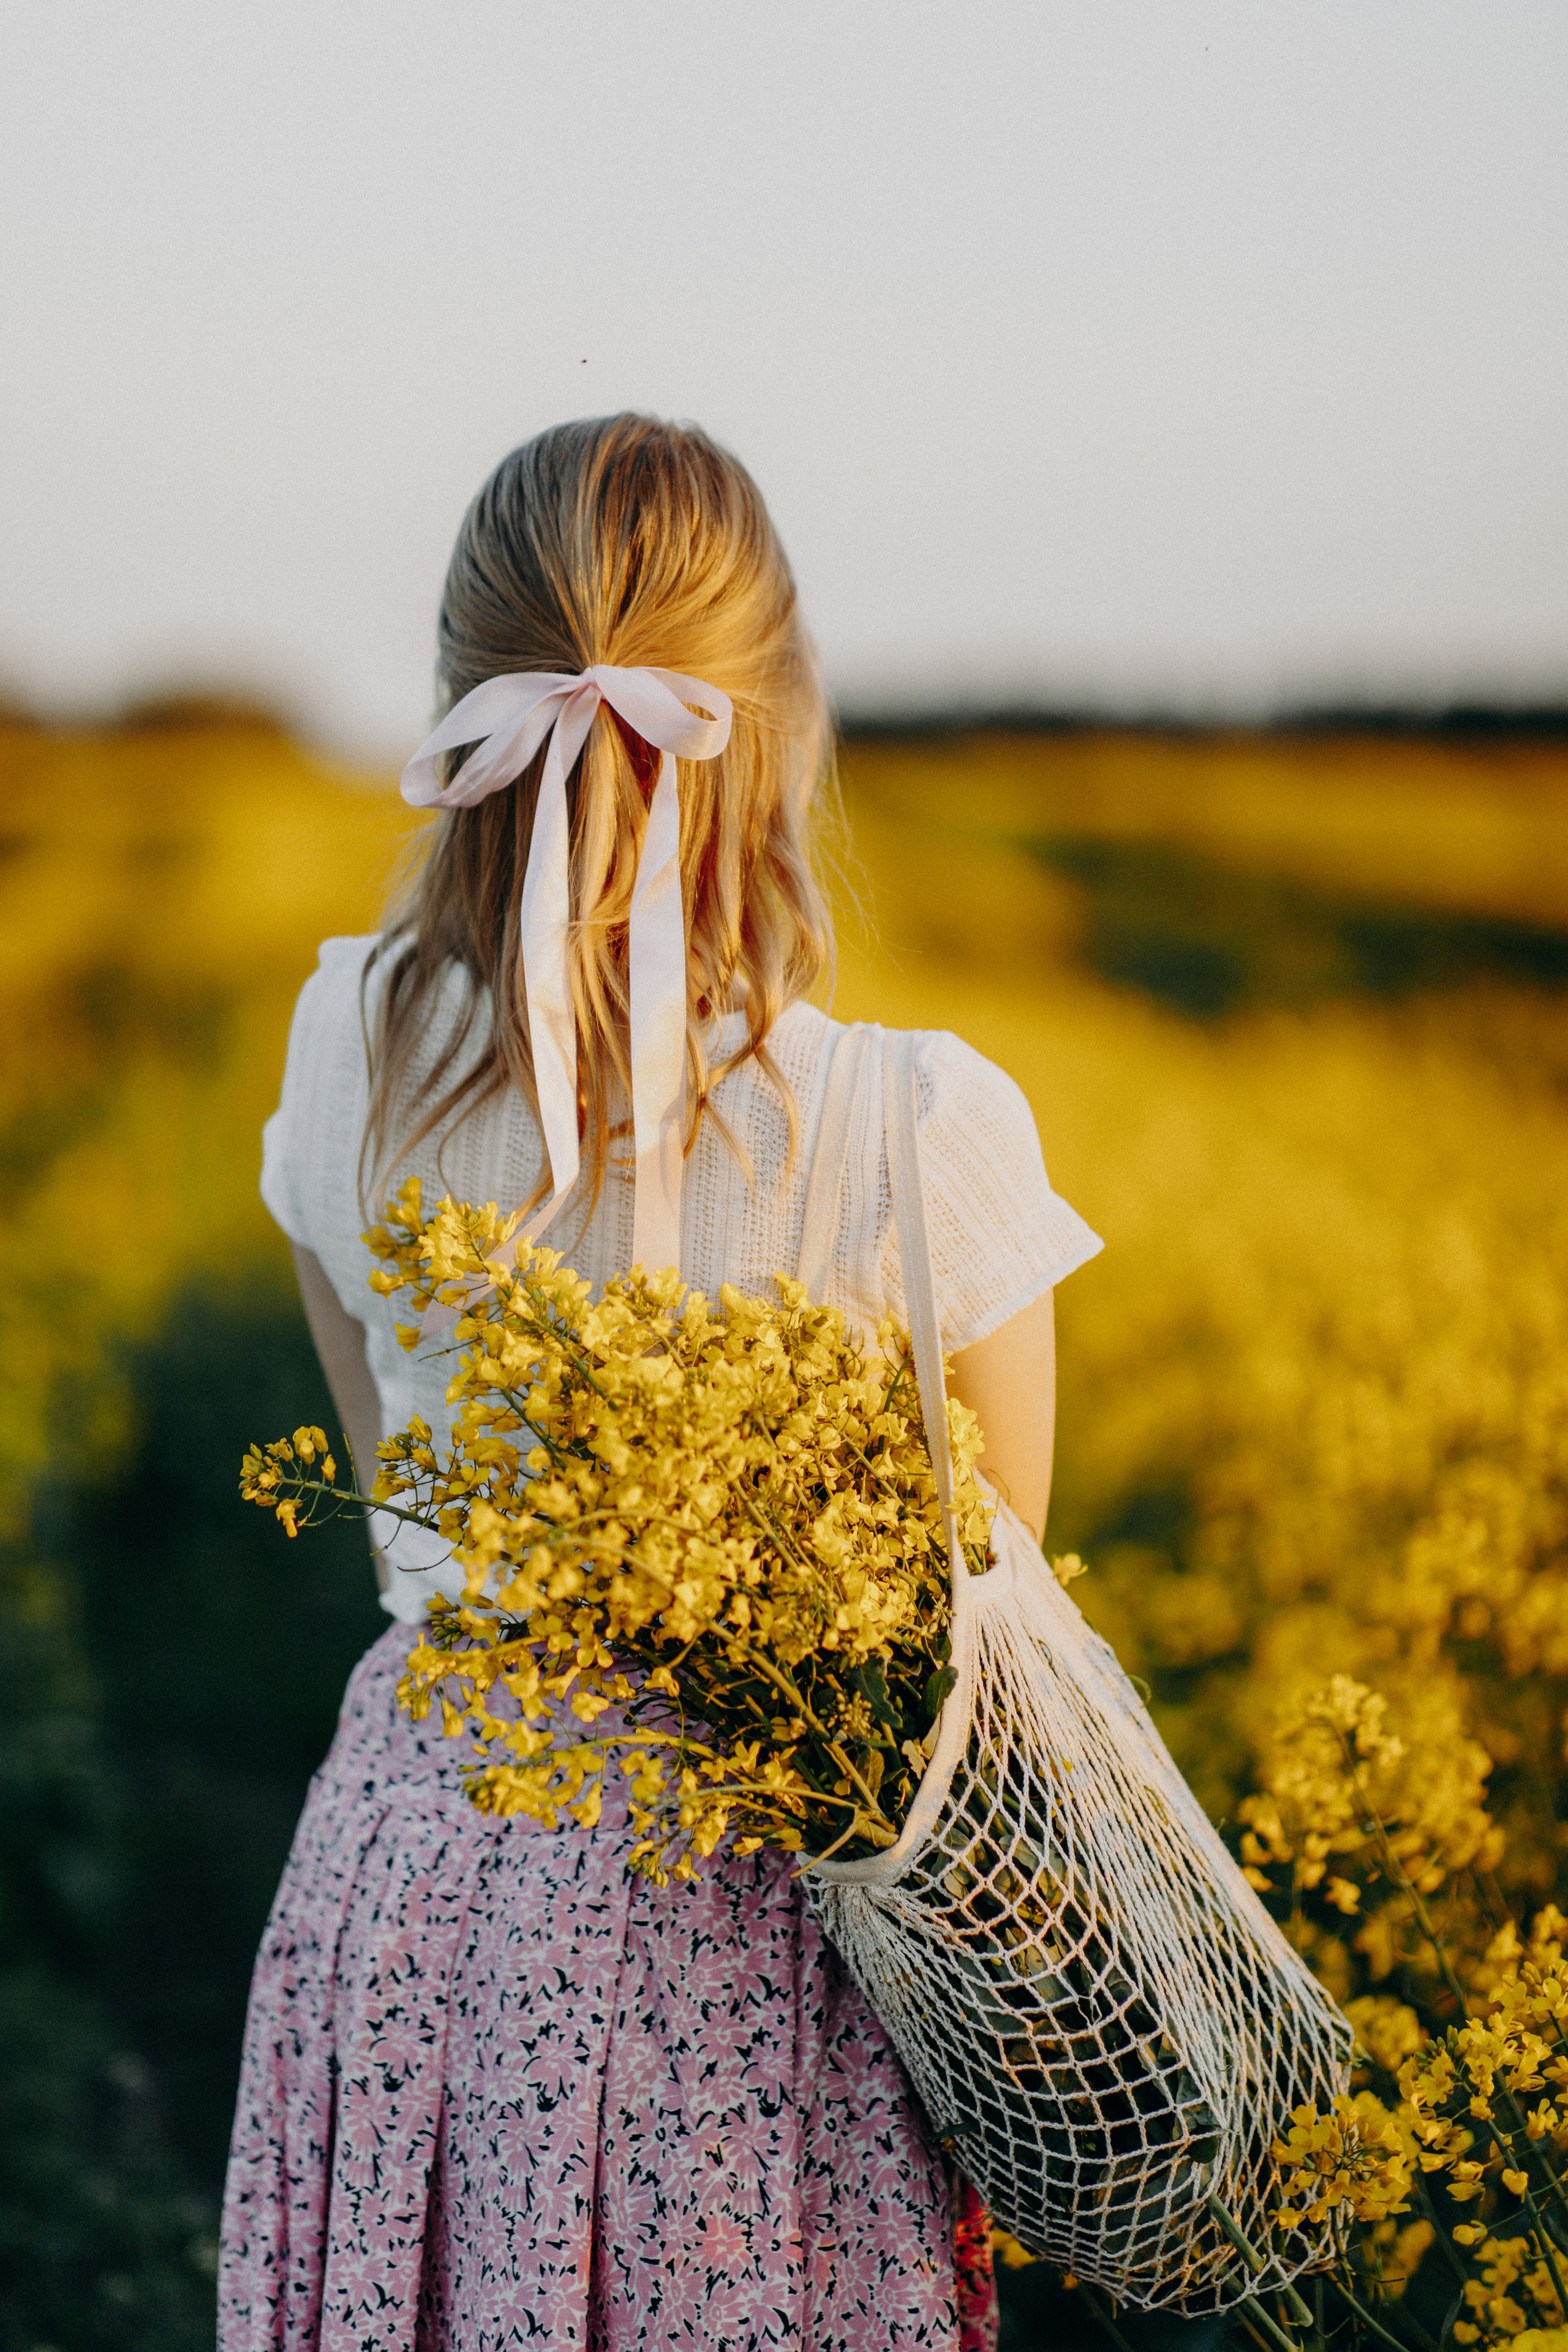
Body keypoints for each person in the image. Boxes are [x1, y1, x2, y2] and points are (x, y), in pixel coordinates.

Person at [219, 413, 1102, 2352]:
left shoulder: (342, 1041)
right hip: (754, 1940)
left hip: (427, 1868)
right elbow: (986, 1637)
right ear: (776, 722)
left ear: (463, 710)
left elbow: (402, 1500)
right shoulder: (918, 1127)